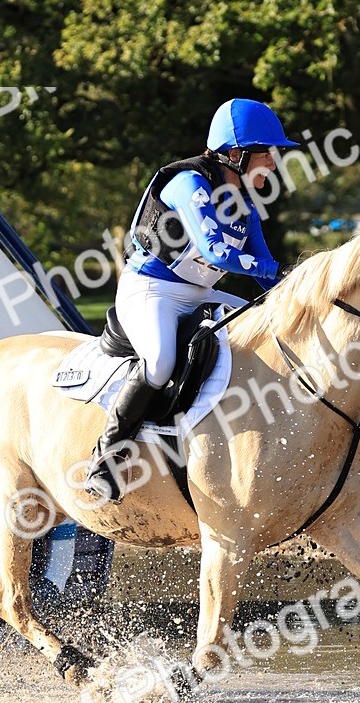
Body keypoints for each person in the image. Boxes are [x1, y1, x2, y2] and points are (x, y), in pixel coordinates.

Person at [84, 98, 299, 502]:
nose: (273, 164)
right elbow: (216, 252)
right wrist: (279, 271)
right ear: (235, 154)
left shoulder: (246, 205)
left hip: (200, 293)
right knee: (160, 361)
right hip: (151, 290)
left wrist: (302, 284)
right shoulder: (188, 184)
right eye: (266, 153)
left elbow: (265, 270)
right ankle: (107, 456)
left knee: (265, 331)